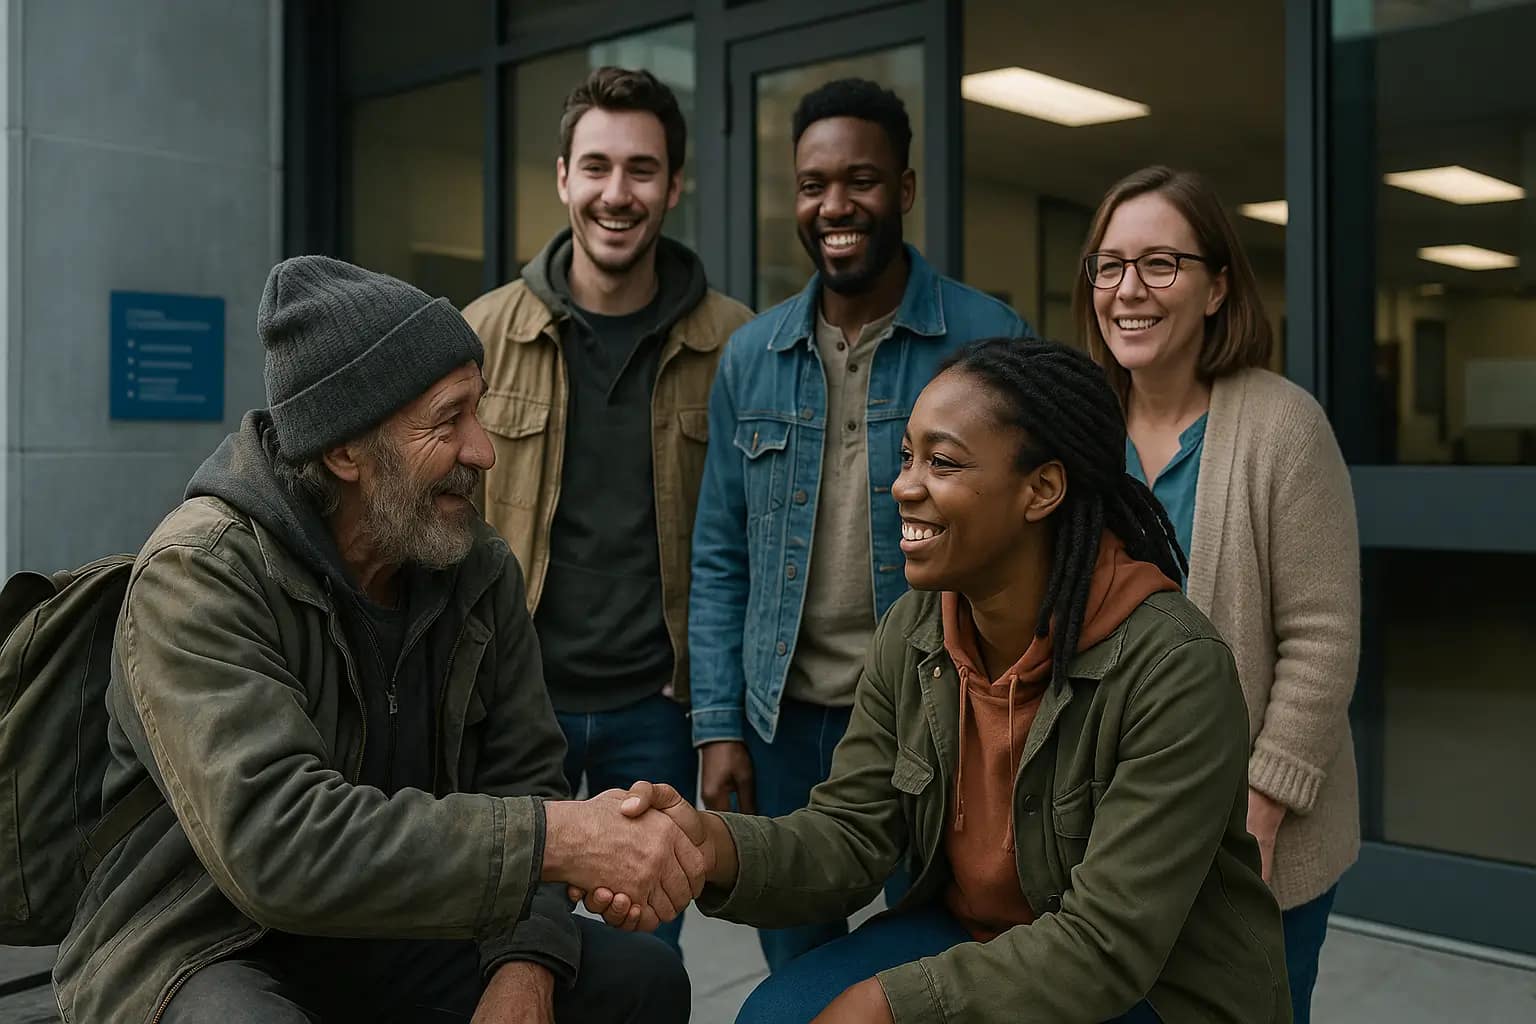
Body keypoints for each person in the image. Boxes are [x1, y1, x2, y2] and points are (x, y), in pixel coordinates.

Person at [54, 256, 702, 1023]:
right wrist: (558, 839)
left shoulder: (475, 566)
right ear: (345, 451)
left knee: (643, 981)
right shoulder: (198, 576)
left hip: (397, 932)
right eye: (448, 419)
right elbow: (279, 846)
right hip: (201, 943)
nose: (483, 450)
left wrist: (523, 968)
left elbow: (525, 778)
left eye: (479, 410)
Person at [586, 339, 1292, 1023]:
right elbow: (849, 835)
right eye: (905, 456)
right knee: (776, 1014)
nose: (902, 485)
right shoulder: (916, 628)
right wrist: (712, 847)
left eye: (942, 462)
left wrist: (886, 1005)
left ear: (1041, 489)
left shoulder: (1174, 667)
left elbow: (1105, 946)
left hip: (1154, 988)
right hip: (974, 940)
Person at [687, 77, 1028, 970]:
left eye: (861, 180)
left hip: (935, 714)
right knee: (798, 969)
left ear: (904, 191)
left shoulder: (985, 341)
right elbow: (720, 555)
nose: (835, 205)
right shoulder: (751, 357)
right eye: (812, 183)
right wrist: (719, 725)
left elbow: (1026, 546)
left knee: (941, 962)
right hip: (781, 725)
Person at [462, 66, 751, 956]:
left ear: (675, 185)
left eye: (641, 169)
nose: (616, 194)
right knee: (497, 945)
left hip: (655, 711)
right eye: (596, 167)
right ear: (561, 178)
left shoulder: (737, 343)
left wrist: (719, 719)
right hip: (515, 702)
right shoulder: (481, 332)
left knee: (644, 959)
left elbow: (750, 539)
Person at [1076, 165, 1360, 1022]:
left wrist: (1262, 807)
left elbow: (1324, 638)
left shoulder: (1284, 426)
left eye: (1161, 264)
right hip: (1107, 833)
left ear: (1217, 287)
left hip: (1253, 834)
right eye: (1109, 265)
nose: (1129, 290)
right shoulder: (1076, 425)